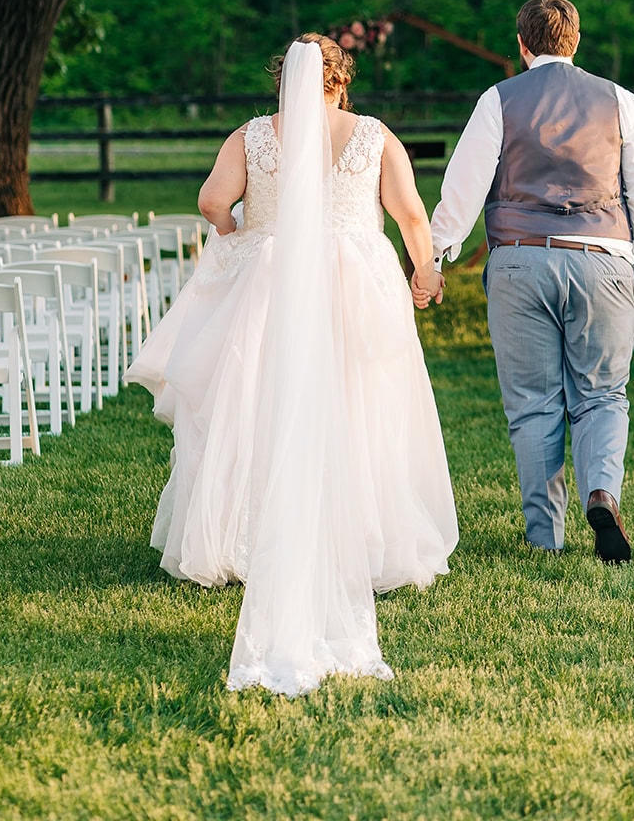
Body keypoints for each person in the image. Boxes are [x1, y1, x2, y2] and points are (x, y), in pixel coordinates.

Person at [127, 34, 457, 697]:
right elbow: (410, 213)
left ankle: (237, 539)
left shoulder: (251, 136)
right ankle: (366, 539)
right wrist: (425, 270)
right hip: (355, 278)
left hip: (270, 279)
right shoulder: (372, 135)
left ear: (286, 79)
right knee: (363, 400)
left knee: (254, 402)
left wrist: (239, 236)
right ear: (341, 79)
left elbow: (211, 202)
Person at [430, 0, 634, 563]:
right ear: (575, 41)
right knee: (603, 393)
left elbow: (462, 190)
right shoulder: (619, 100)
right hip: (602, 256)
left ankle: (545, 535)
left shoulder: (498, 100)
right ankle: (602, 493)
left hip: (519, 260)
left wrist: (435, 256)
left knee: (534, 402)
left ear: (522, 45)